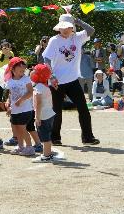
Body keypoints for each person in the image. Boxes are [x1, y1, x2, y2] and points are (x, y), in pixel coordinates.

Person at [42, 13, 100, 146]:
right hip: (56, 81)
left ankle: (87, 137)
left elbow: (91, 30)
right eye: (62, 27)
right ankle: (55, 137)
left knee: (83, 109)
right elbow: (46, 59)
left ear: (72, 27)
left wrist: (78, 21)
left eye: (68, 27)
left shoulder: (77, 37)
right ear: (59, 28)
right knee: (56, 110)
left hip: (73, 80)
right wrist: (51, 75)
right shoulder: (54, 40)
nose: (65, 30)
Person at [4, 58, 35, 156]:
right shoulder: (10, 81)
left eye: (23, 70)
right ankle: (20, 146)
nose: (23, 72)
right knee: (16, 128)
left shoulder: (26, 79)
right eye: (20, 70)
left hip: (25, 109)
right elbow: (10, 94)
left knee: (22, 128)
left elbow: (30, 92)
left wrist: (21, 100)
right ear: (13, 70)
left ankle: (29, 147)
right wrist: (8, 104)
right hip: (15, 110)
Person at [30, 64, 55, 162]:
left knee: (44, 137)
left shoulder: (38, 87)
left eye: (34, 71)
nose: (32, 72)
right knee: (47, 134)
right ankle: (48, 153)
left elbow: (39, 103)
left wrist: (37, 117)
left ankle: (46, 155)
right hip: (49, 113)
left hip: (43, 115)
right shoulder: (45, 86)